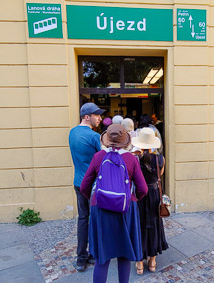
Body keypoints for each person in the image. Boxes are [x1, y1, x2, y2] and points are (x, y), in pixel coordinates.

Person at [80, 124, 148, 283]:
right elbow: (143, 188)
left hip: (101, 208)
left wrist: (94, 200)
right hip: (125, 208)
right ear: (125, 140)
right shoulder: (131, 159)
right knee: (124, 254)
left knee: (102, 258)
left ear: (107, 139)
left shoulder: (98, 157)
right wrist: (133, 199)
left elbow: (84, 186)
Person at [69, 102, 105, 272]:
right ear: (86, 116)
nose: (100, 118)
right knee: (96, 218)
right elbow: (104, 158)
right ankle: (96, 252)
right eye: (96, 115)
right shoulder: (94, 136)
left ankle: (81, 257)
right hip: (92, 184)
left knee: (83, 218)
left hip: (78, 182)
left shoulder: (72, 132)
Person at [132, 127, 169, 275]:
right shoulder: (160, 159)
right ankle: (152, 261)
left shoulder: (134, 159)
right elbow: (159, 176)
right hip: (153, 194)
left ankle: (139, 263)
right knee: (154, 225)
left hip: (139, 195)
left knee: (138, 226)